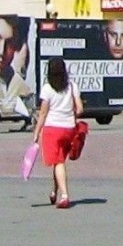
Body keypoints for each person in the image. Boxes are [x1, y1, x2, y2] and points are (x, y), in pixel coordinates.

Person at [29, 55, 83, 208]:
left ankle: (65, 196)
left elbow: (43, 113)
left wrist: (36, 133)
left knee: (58, 162)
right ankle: (54, 191)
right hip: (69, 129)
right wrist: (69, 113)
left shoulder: (47, 89)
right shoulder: (72, 86)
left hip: (52, 130)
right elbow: (79, 109)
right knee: (58, 161)